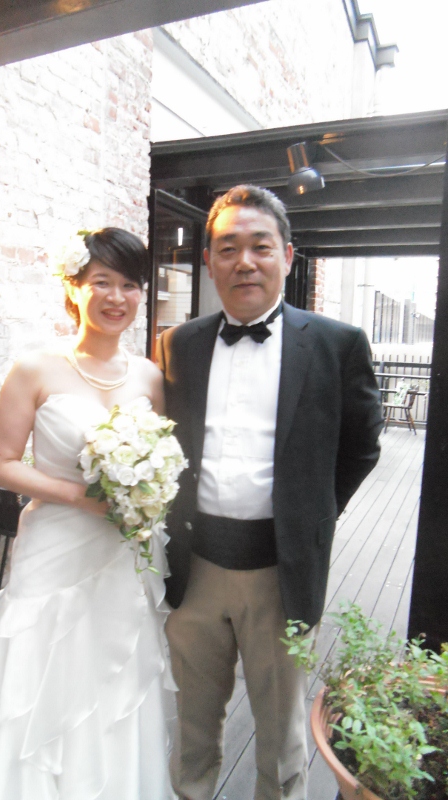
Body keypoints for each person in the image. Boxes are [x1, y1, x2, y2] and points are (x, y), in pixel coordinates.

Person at [157, 185, 383, 800]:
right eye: (228, 248)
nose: (245, 262)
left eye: (260, 246)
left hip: (280, 573)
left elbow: (362, 446)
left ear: (286, 255)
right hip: (196, 570)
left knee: (281, 734)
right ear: (209, 261)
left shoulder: (337, 343)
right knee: (192, 722)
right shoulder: (178, 344)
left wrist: (308, 516)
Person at [0, 228, 177, 800]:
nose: (116, 297)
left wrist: (147, 493)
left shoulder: (149, 376)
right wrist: (80, 497)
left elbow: (163, 459)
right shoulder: (34, 369)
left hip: (121, 552)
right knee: (40, 671)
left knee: (114, 673)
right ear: (74, 288)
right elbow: (2, 466)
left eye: (129, 285)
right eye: (101, 282)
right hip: (55, 546)